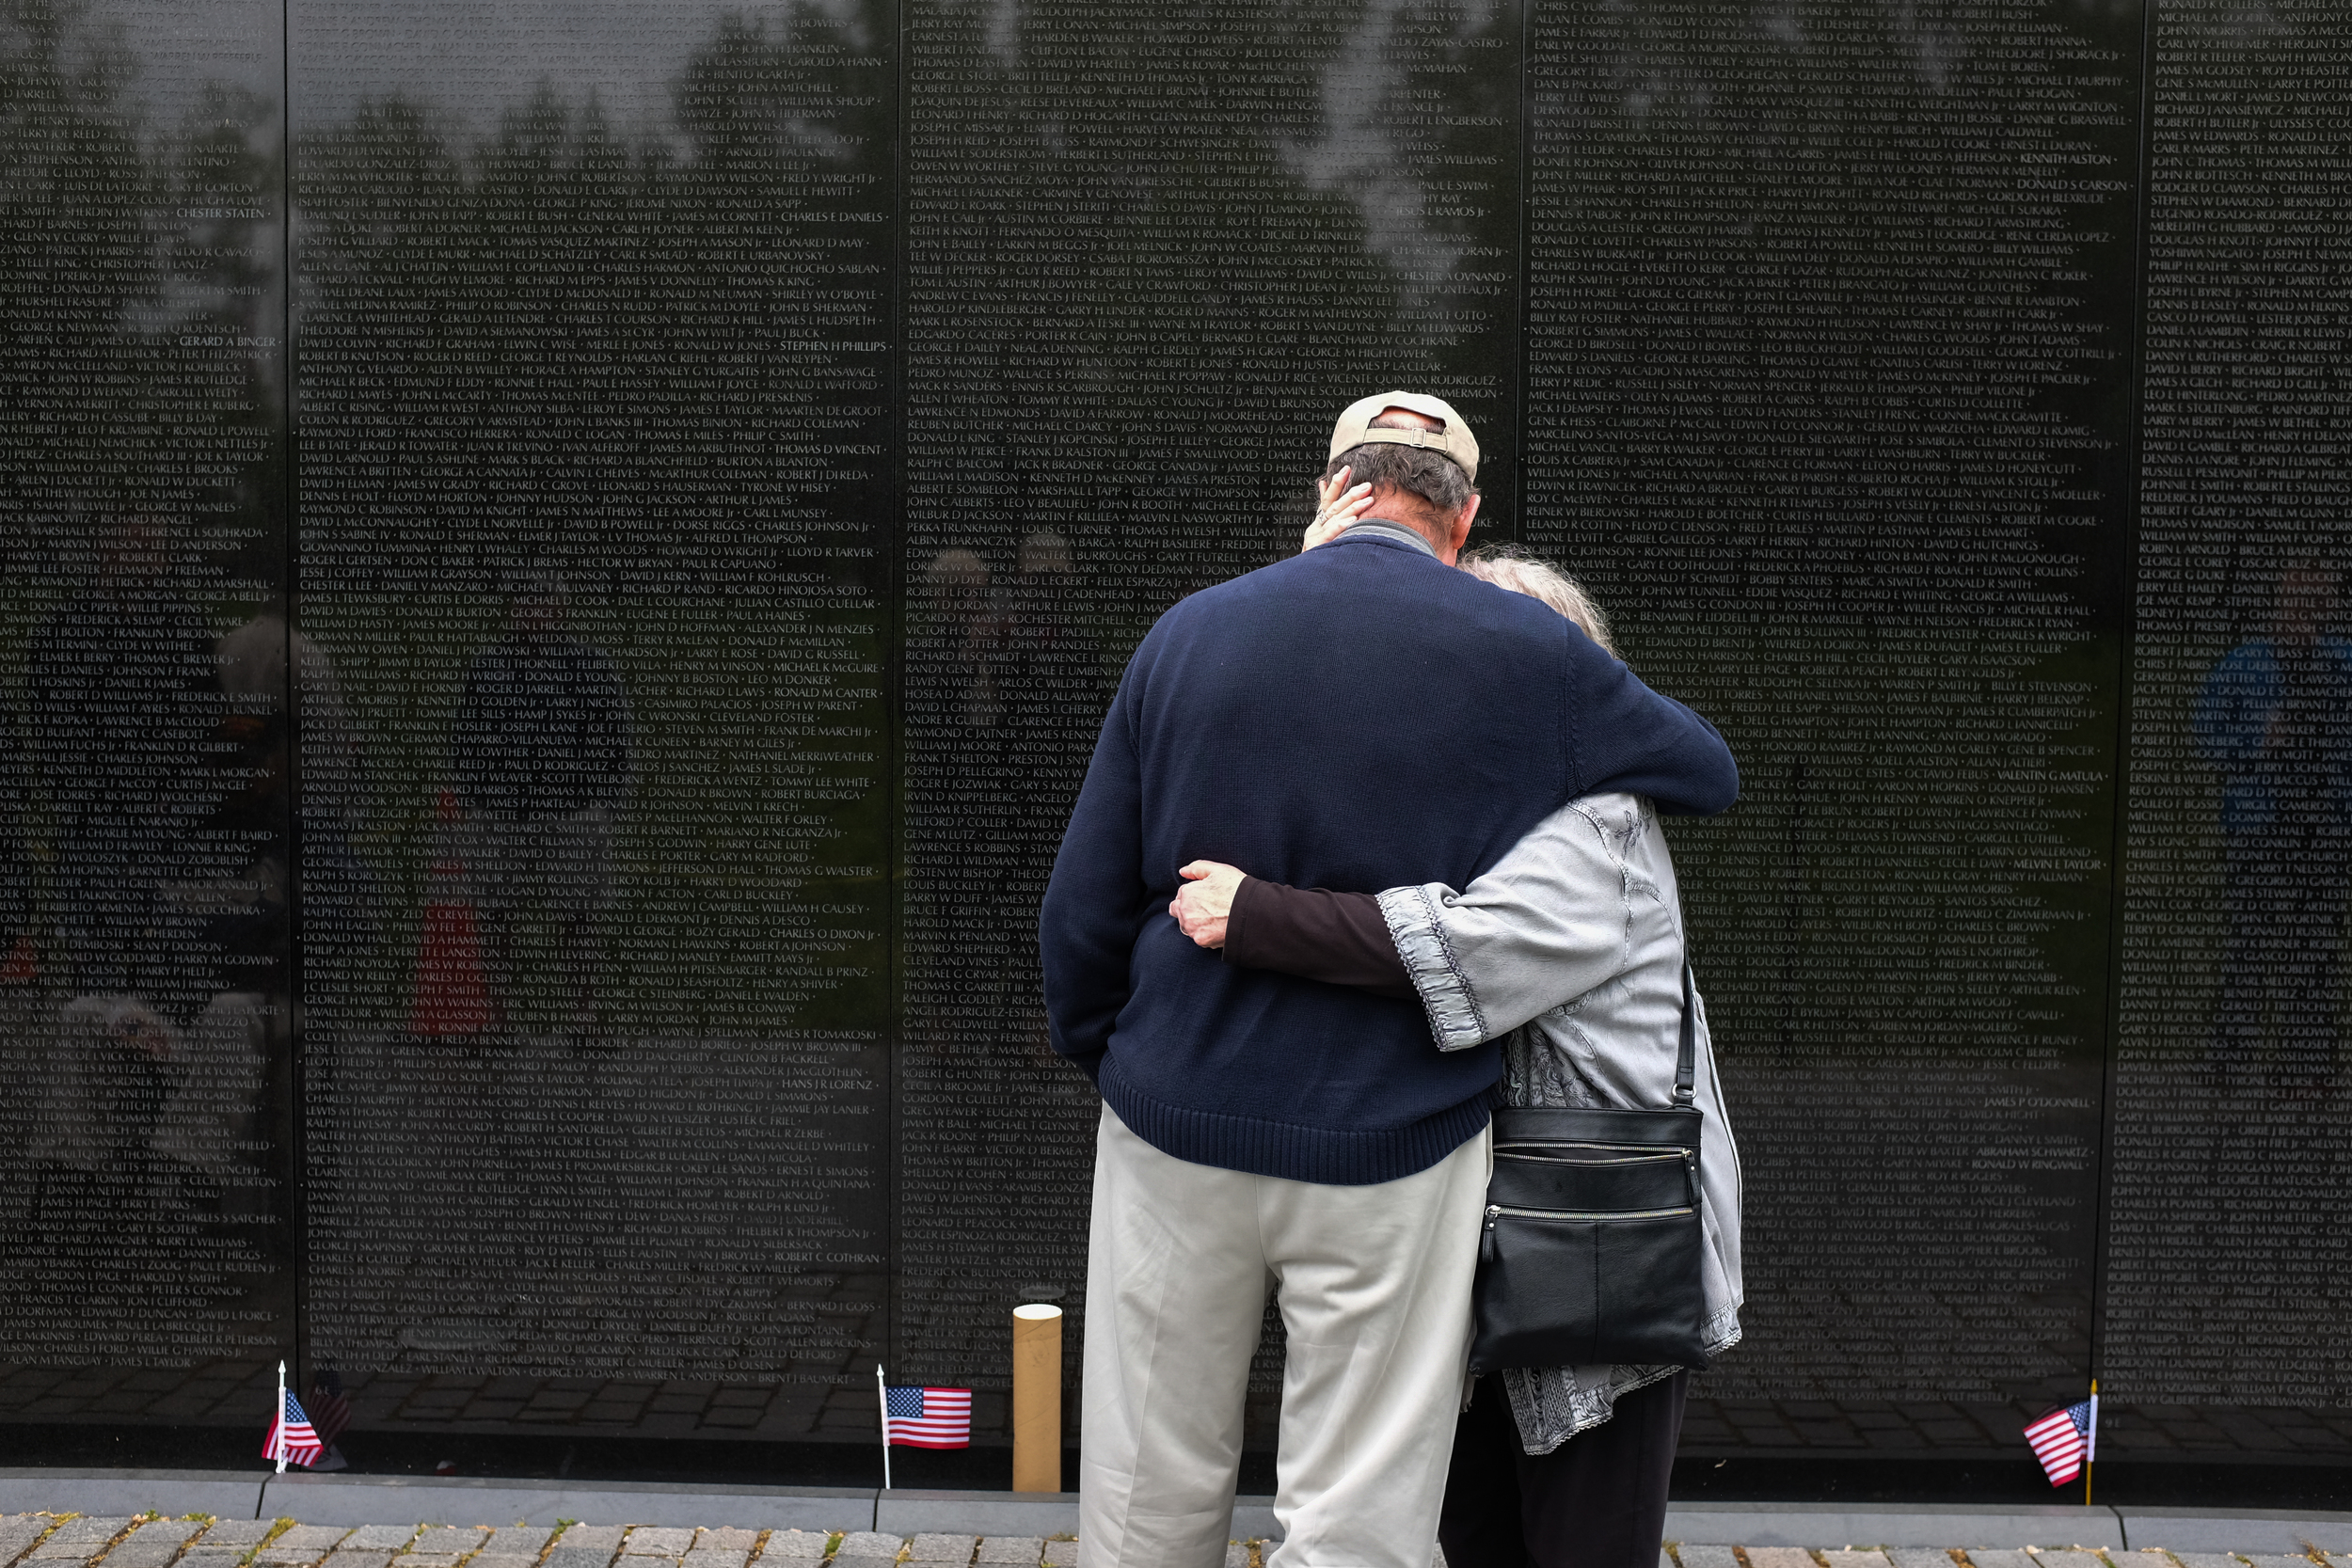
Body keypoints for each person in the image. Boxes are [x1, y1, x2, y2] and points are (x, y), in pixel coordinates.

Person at [1039, 391, 1739, 1568]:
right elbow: (1702, 769)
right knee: (1355, 1512)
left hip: (1174, 1116)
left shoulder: (1193, 628)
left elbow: (1083, 906)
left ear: (1331, 491)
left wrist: (1111, 1054)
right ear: (1461, 523)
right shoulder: (1525, 650)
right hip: (1395, 1139)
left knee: (1146, 1488)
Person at [449, 571, 634, 1038]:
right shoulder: (488, 665)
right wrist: (472, 797)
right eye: (523, 602)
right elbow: (465, 736)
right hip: (499, 812)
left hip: (572, 812)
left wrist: (606, 804)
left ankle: (583, 1014)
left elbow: (615, 738)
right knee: (494, 914)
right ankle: (498, 1016)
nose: (531, 612)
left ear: (561, 607)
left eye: (541, 602)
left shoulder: (589, 665)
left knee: (579, 915)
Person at [2192, 558, 2352, 1094]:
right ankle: (2230, 1062)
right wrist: (2257, 743)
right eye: (2297, 602)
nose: (2305, 613)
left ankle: (2304, 1066)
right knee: (2249, 946)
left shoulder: (2344, 664)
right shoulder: (2243, 665)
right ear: (2278, 604)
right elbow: (2207, 736)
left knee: (2314, 952)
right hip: (2259, 828)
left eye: (2317, 604)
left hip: (2324, 828)